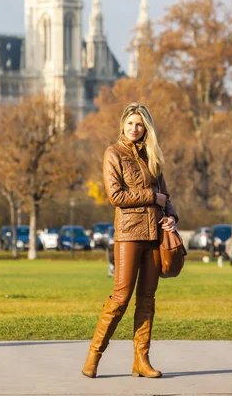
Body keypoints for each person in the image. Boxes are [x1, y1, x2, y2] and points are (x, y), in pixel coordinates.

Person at [82, 103, 178, 379]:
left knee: (147, 299)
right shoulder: (113, 153)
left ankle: (141, 360)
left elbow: (166, 197)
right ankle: (94, 355)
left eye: (139, 124)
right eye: (130, 124)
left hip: (155, 235)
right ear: (122, 125)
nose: (134, 129)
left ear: (145, 127)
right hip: (128, 234)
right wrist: (151, 197)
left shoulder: (152, 156)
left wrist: (171, 217)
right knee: (121, 297)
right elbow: (116, 196)